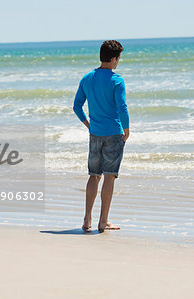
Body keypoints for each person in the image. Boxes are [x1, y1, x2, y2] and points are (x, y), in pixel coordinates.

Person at [73, 40, 130, 233]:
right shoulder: (116, 80)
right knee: (109, 177)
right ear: (114, 58)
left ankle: (87, 219)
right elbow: (122, 107)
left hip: (95, 133)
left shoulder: (87, 78)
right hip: (114, 133)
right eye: (118, 59)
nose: (118, 63)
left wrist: (88, 124)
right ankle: (103, 221)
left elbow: (76, 106)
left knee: (93, 176)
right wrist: (127, 129)